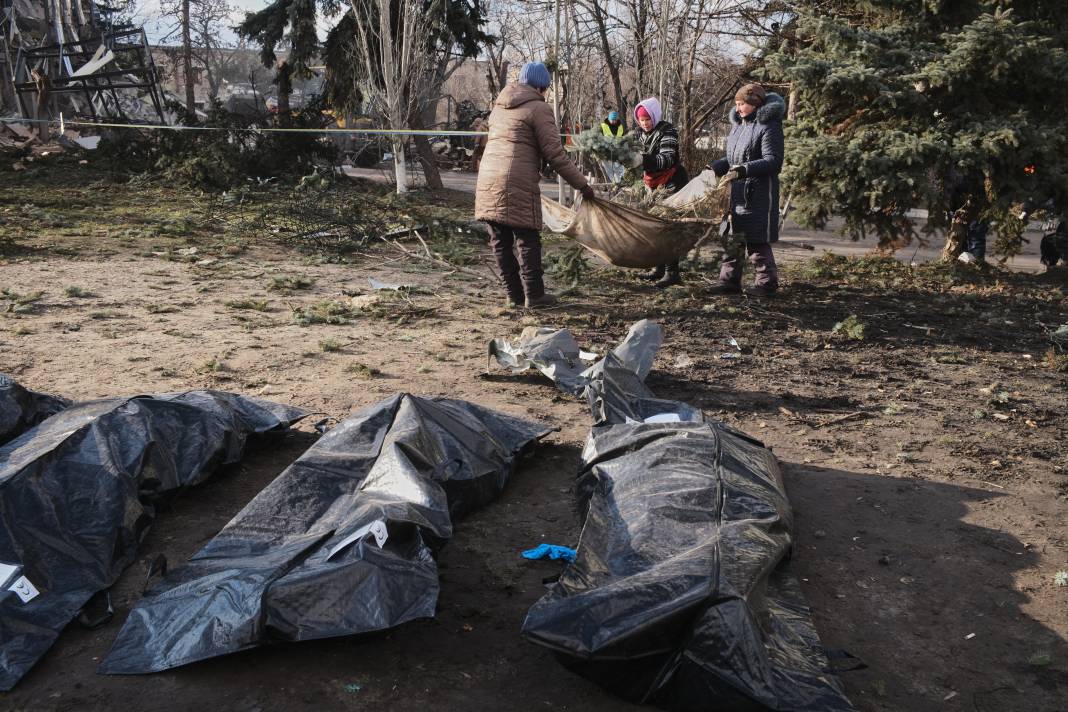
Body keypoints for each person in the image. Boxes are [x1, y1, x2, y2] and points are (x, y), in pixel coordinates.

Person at [475, 62, 595, 309]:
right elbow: (555, 154)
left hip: (487, 178)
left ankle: (514, 296)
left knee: (499, 240)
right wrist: (583, 185)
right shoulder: (539, 108)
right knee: (527, 238)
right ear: (542, 87)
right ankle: (535, 296)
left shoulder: (498, 107)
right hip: (515, 180)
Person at [709, 83, 785, 296]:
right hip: (736, 194)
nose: (738, 107)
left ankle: (766, 285)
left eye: (742, 103)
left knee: (756, 242)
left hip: (758, 195)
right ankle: (729, 282)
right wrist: (716, 167)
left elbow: (773, 161)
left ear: (755, 103)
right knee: (732, 239)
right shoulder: (738, 126)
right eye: (737, 103)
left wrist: (745, 170)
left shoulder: (769, 126)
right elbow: (734, 159)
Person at [634, 97, 690, 288]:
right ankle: (658, 268)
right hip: (652, 184)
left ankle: (672, 272)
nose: (644, 123)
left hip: (672, 181)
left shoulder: (668, 131)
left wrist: (641, 160)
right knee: (653, 225)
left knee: (668, 226)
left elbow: (666, 159)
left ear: (655, 117)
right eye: (641, 120)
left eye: (647, 119)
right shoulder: (639, 134)